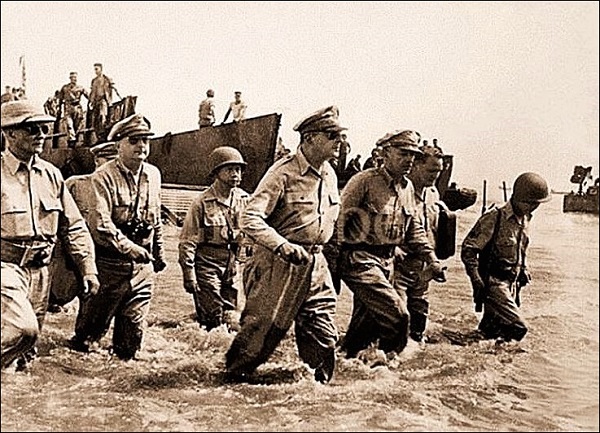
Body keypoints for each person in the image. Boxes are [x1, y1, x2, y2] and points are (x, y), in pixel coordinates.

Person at [225, 105, 346, 383]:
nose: (338, 141)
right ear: (310, 138)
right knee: (258, 340)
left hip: (315, 265)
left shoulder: (329, 174)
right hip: (278, 264)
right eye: (331, 135)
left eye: (340, 135)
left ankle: (317, 395)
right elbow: (249, 217)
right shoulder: (283, 173)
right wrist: (281, 245)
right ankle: (227, 387)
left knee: (324, 336)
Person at [1, 101, 100, 370]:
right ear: (10, 133)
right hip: (6, 268)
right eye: (32, 129)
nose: (41, 134)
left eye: (43, 128)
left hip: (41, 272)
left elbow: (74, 226)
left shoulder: (51, 175)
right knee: (24, 330)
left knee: (26, 353)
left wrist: (87, 268)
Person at [337, 130, 446, 362]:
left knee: (364, 329)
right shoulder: (364, 181)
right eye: (403, 153)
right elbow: (338, 221)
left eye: (412, 155)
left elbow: (414, 230)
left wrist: (432, 261)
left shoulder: (407, 188)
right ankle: (390, 363)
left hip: (387, 264)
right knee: (398, 315)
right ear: (385, 154)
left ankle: (342, 365)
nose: (409, 159)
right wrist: (332, 267)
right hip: (360, 260)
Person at [70, 113, 167, 360]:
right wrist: (130, 248)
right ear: (118, 145)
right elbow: (101, 225)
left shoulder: (154, 175)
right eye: (134, 140)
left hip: (142, 269)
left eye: (145, 140)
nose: (141, 146)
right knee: (88, 339)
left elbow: (155, 217)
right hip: (109, 266)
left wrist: (159, 252)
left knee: (131, 339)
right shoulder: (103, 177)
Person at [461, 172, 551, 342]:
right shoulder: (495, 217)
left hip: (511, 282)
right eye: (530, 203)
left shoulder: (525, 219)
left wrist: (523, 269)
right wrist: (476, 279)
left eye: (537, 204)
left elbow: (521, 248)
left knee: (491, 331)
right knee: (518, 327)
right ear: (518, 198)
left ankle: (472, 354)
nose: (534, 208)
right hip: (493, 283)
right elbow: (469, 250)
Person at [178, 146, 251, 332]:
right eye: (230, 169)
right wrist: (189, 273)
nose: (235, 174)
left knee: (232, 316)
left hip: (232, 265)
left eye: (238, 170)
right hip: (207, 266)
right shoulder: (201, 202)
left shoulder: (244, 199)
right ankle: (203, 345)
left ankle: (222, 347)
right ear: (216, 172)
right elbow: (187, 241)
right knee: (212, 317)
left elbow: (254, 232)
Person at [48, 141, 119, 311]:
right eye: (107, 161)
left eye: (115, 162)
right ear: (97, 161)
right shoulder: (76, 184)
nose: (111, 167)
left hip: (105, 257)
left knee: (97, 307)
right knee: (61, 297)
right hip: (75, 256)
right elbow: (60, 221)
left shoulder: (119, 189)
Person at [393, 144, 448, 343]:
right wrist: (393, 248)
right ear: (416, 165)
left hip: (423, 269)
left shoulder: (433, 194)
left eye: (438, 172)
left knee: (418, 324)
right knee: (396, 320)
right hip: (399, 267)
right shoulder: (398, 192)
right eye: (431, 170)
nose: (435, 176)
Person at [59, 72, 89, 144]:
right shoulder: (65, 88)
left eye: (75, 77)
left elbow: (88, 96)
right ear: (70, 78)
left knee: (77, 125)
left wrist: (92, 102)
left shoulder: (80, 88)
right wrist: (59, 108)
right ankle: (72, 139)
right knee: (69, 124)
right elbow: (60, 98)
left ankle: (75, 140)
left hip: (77, 108)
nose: (74, 79)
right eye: (72, 78)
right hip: (68, 107)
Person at [89, 63, 115, 141]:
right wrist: (91, 102)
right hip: (95, 102)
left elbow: (111, 90)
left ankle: (103, 135)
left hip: (103, 101)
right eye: (95, 69)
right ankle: (99, 137)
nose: (95, 71)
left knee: (102, 116)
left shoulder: (106, 79)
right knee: (95, 121)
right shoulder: (94, 81)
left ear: (101, 69)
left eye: (97, 69)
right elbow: (92, 92)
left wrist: (110, 102)